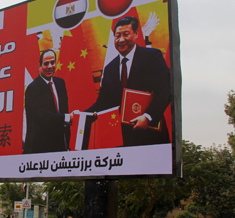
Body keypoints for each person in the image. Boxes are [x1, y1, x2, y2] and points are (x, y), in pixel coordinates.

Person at [84, 16, 170, 146]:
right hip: (121, 139)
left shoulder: (152, 57)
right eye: (117, 35)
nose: (121, 39)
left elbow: (166, 89)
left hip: (150, 136)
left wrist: (148, 117)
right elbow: (103, 103)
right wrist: (81, 115)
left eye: (126, 34)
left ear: (136, 34)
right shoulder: (110, 68)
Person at [24, 49, 71, 153]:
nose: (50, 66)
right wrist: (67, 118)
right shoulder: (33, 89)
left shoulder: (60, 84)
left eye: (52, 62)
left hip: (61, 147)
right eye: (46, 63)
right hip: (40, 150)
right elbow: (41, 116)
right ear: (39, 66)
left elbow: (64, 110)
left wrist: (67, 143)